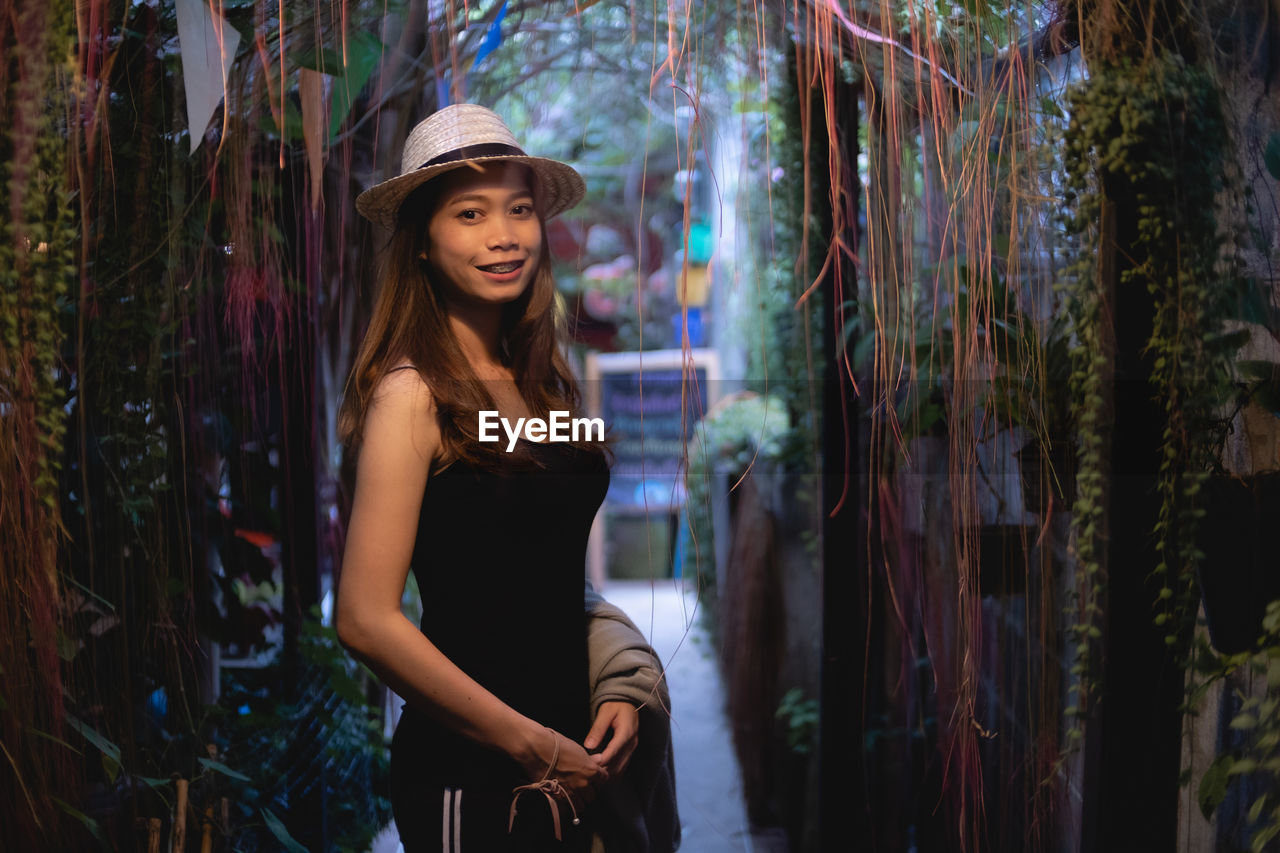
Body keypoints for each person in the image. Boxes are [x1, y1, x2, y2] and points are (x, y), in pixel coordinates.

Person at [335, 104, 640, 852]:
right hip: (472, 776)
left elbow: (539, 561)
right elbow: (364, 617)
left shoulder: (541, 383)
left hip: (574, 754)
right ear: (422, 246)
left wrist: (619, 681)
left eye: (519, 209)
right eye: (470, 213)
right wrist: (529, 743)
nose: (503, 234)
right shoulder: (414, 392)